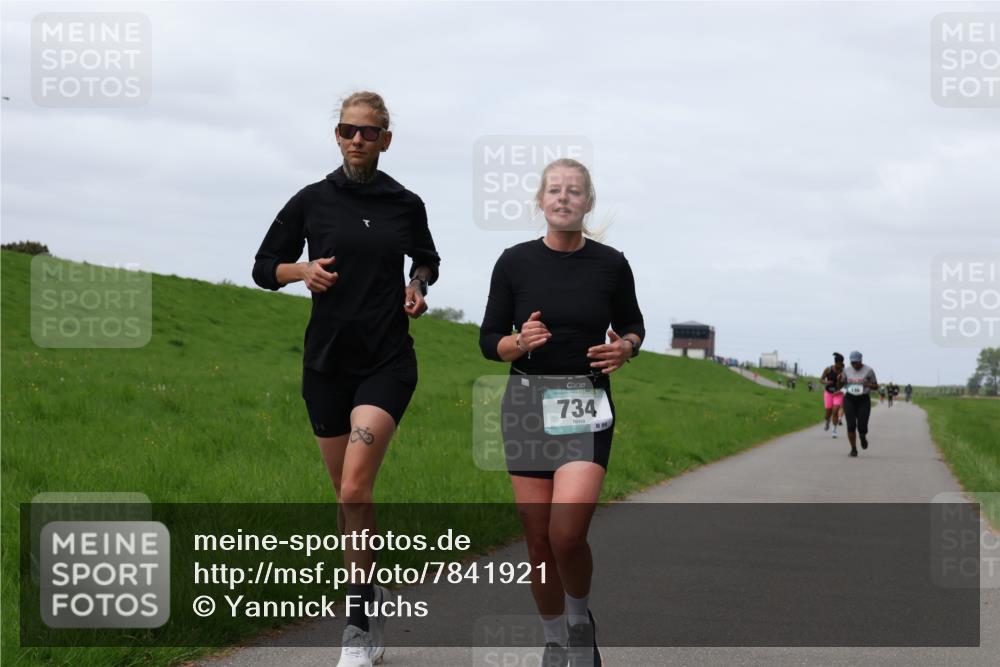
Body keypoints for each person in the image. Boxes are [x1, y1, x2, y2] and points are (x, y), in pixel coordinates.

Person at [252, 91, 440, 667]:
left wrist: (418, 285)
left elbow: (427, 257)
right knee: (347, 496)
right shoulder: (311, 201)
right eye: (346, 130)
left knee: (355, 488)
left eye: (368, 131)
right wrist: (299, 269)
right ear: (337, 136)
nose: (356, 139)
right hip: (326, 366)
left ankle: (357, 627)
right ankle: (369, 591)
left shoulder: (405, 203)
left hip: (386, 361)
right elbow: (263, 268)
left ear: (386, 139)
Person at [480, 158, 644, 667]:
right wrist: (517, 341)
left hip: (585, 404)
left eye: (574, 191)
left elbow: (634, 326)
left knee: (566, 533)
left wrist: (627, 349)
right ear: (540, 200)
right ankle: (554, 641)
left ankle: (579, 623)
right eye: (554, 190)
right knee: (537, 542)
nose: (564, 198)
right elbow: (489, 341)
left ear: (588, 202)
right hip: (527, 404)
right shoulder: (513, 262)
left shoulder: (611, 264)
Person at [838, 351, 879, 457]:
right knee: (851, 425)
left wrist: (866, 383)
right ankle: (853, 449)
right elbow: (840, 385)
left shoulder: (869, 370)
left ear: (861, 360)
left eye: (856, 362)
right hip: (849, 398)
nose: (854, 365)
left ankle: (862, 437)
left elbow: (875, 386)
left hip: (863, 399)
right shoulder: (846, 370)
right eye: (852, 363)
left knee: (862, 426)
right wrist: (840, 380)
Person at [819, 353, 846, 438]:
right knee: (828, 412)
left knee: (835, 411)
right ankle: (827, 421)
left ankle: (834, 430)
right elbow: (821, 380)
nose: (841, 365)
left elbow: (842, 385)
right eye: (840, 363)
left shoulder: (843, 372)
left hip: (838, 393)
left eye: (842, 363)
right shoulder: (828, 369)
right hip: (828, 393)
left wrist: (839, 380)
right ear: (836, 362)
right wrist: (826, 382)